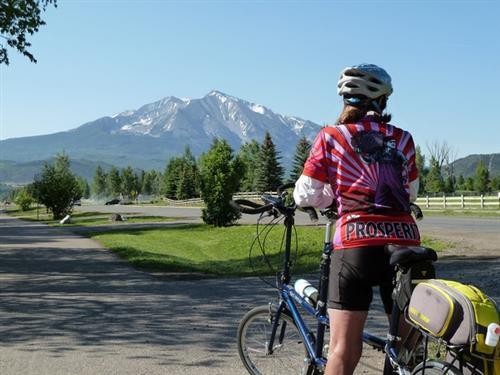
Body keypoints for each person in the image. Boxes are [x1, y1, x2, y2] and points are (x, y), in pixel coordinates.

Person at [293, 64, 420, 375]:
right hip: (405, 243)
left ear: (346, 100)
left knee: (343, 350)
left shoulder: (331, 136)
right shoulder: (404, 139)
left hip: (356, 244)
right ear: (384, 102)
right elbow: (411, 193)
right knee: (407, 349)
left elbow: (305, 195)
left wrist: (334, 197)